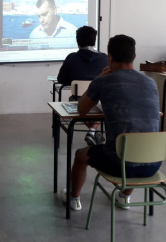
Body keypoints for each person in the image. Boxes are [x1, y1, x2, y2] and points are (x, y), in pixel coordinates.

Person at [62, 34, 161, 211]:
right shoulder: (151, 82)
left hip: (119, 164)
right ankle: (124, 197)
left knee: (80, 155)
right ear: (134, 57)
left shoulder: (103, 81)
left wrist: (98, 78)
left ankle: (73, 198)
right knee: (135, 146)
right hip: (153, 163)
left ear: (110, 57)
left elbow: (82, 110)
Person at [57, 26, 108, 146]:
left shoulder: (72, 57)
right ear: (94, 41)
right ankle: (93, 130)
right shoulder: (105, 58)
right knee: (99, 103)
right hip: (101, 101)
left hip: (78, 100)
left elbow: (61, 79)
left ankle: (92, 131)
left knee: (77, 102)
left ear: (77, 41)